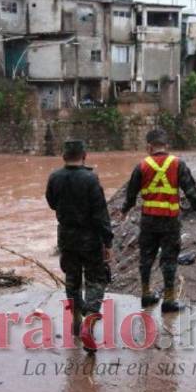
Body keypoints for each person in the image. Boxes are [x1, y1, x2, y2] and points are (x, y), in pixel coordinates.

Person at [121, 129, 196, 313]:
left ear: (149, 146)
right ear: (166, 145)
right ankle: (169, 300)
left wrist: (124, 210)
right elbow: (191, 192)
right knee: (169, 259)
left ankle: (145, 294)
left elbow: (130, 194)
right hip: (170, 220)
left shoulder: (142, 166)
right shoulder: (178, 164)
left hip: (149, 220)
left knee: (146, 257)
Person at [46, 140, 113, 336]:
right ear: (85, 155)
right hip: (90, 239)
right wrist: (107, 241)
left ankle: (76, 318)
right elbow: (100, 213)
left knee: (72, 280)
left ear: (63, 156)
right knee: (95, 280)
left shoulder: (54, 177)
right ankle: (90, 320)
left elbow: (51, 203)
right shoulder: (91, 179)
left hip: (66, 237)